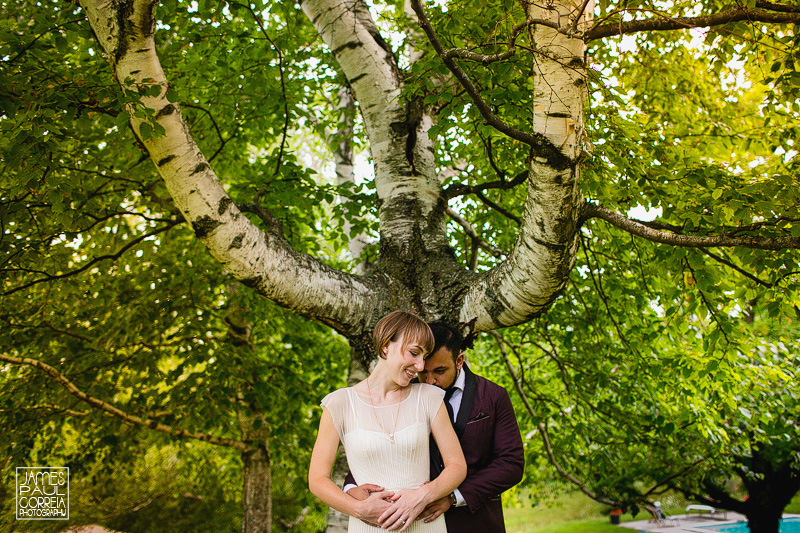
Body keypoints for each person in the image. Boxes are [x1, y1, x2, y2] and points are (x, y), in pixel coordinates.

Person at [347, 321, 524, 533]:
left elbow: (511, 464)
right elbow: (374, 448)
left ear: (459, 360)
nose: (430, 381)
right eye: (423, 372)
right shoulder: (401, 395)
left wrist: (453, 497)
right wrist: (351, 488)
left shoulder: (493, 397)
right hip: (416, 525)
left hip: (477, 523)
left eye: (440, 371)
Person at [309, 311, 467, 533]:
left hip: (425, 525)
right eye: (414, 353)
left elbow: (457, 466)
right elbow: (317, 479)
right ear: (385, 346)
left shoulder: (429, 397)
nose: (420, 366)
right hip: (368, 528)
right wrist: (357, 509)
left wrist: (423, 496)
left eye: (424, 356)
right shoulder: (340, 403)